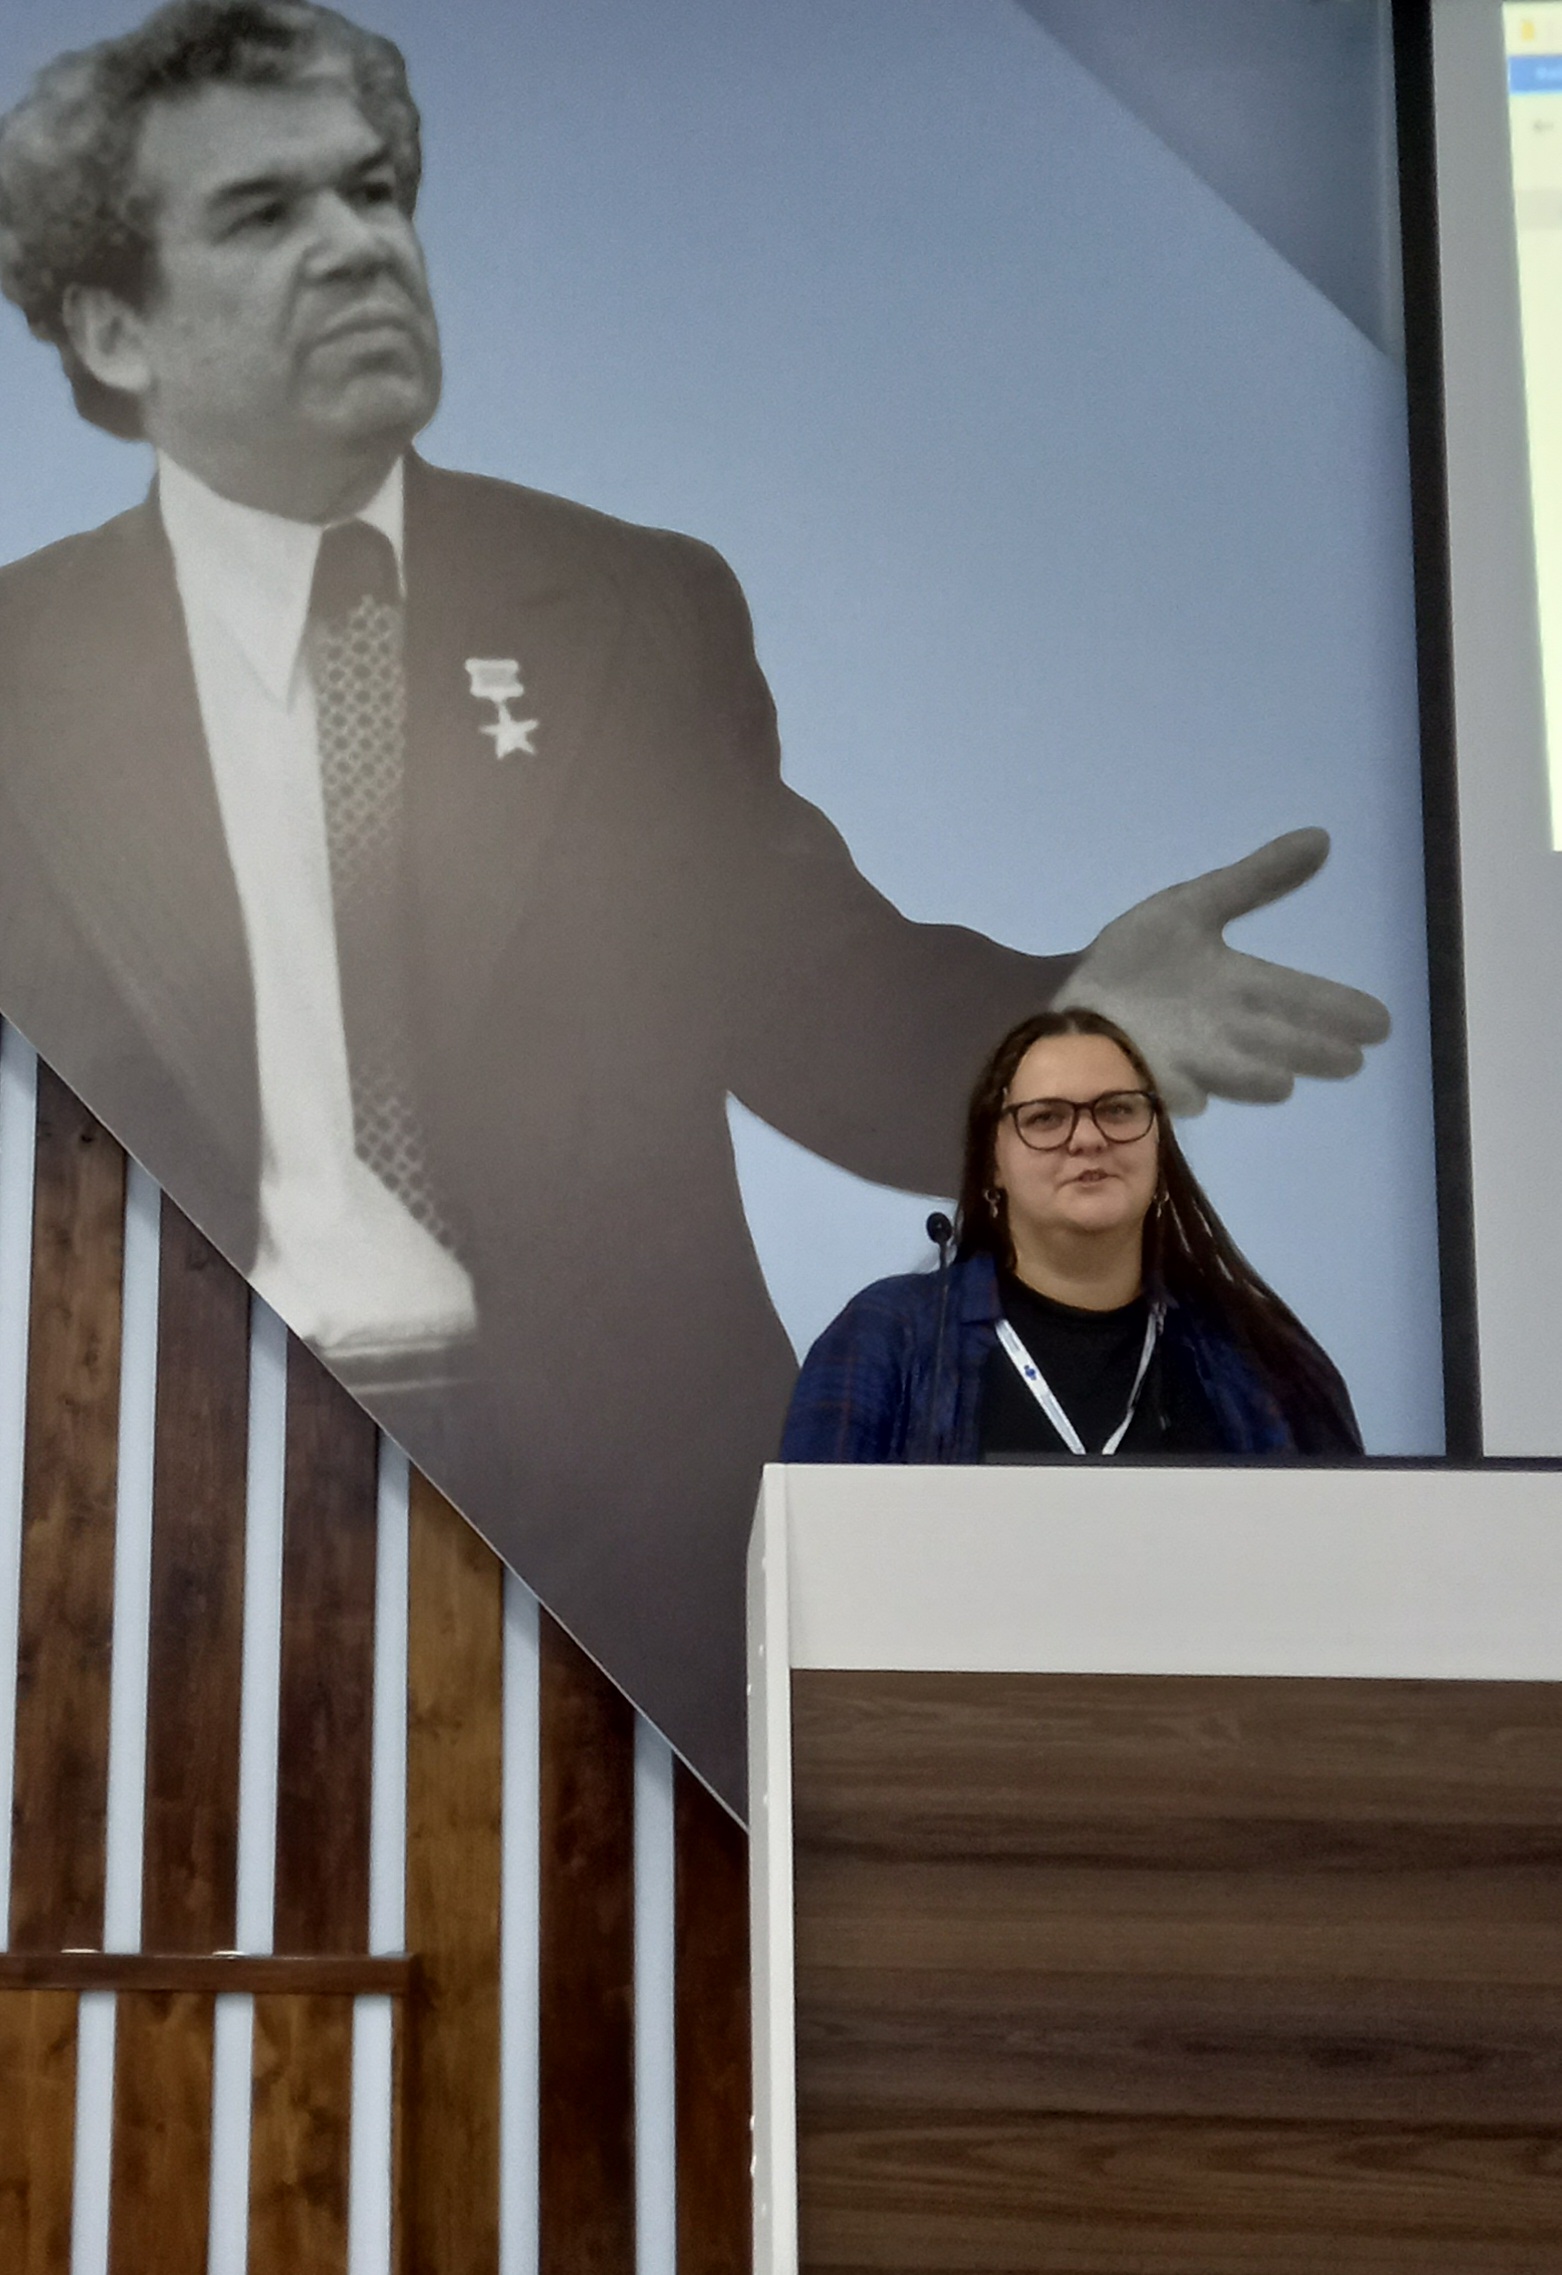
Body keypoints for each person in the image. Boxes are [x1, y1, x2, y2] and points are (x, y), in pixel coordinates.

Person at [0, 0, 1384, 1803]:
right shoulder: (18, 677)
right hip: (188, 1533)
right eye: (266, 214)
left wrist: (1067, 1026)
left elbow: (817, 997)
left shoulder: (624, 607)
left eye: (376, 191)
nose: (357, 244)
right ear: (112, 328)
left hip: (642, 1546)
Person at [782, 1007, 1364, 1462]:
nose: (1088, 1139)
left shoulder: (1263, 1353)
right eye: (1045, 1118)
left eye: (1118, 1110)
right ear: (992, 1165)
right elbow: (813, 1548)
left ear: (1158, 1144)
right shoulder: (891, 1338)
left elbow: (1351, 1557)